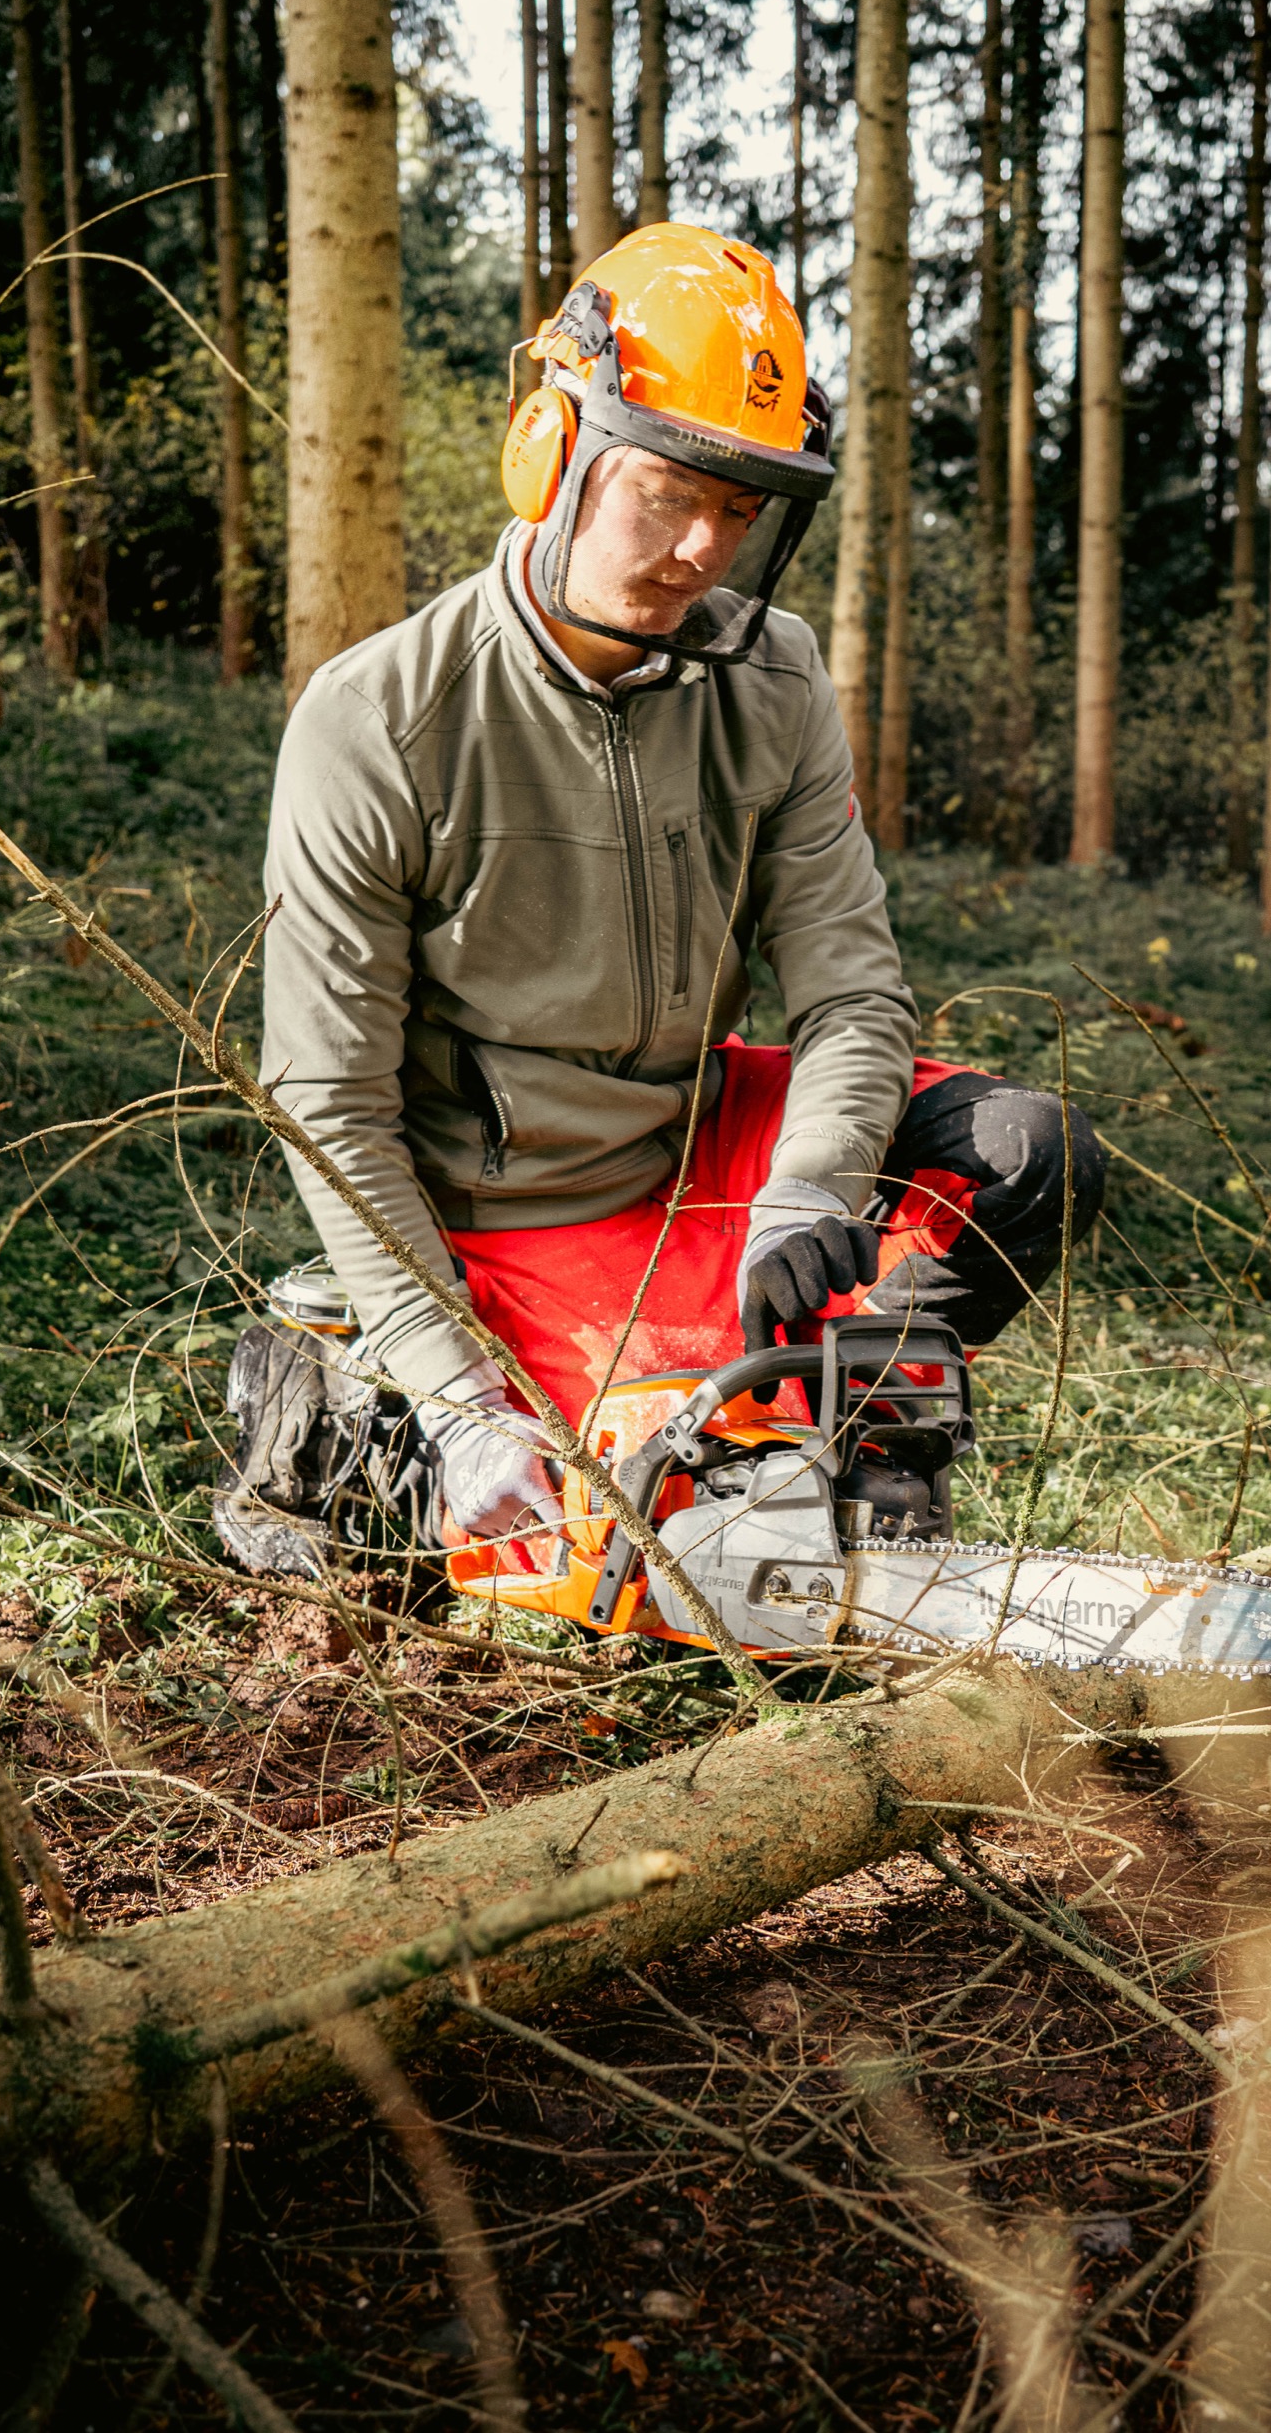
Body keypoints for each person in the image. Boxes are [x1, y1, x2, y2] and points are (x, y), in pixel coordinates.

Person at [261, 223, 1104, 1552]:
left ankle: (867, 1438)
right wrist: (448, 1382)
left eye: (740, 511)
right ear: (552, 452)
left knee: (1020, 1151)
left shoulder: (770, 676)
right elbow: (328, 1098)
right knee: (614, 1537)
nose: (702, 548)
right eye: (668, 494)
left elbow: (852, 990)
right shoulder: (380, 716)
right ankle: (411, 1391)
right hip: (511, 1200)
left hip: (700, 1142)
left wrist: (810, 1189)